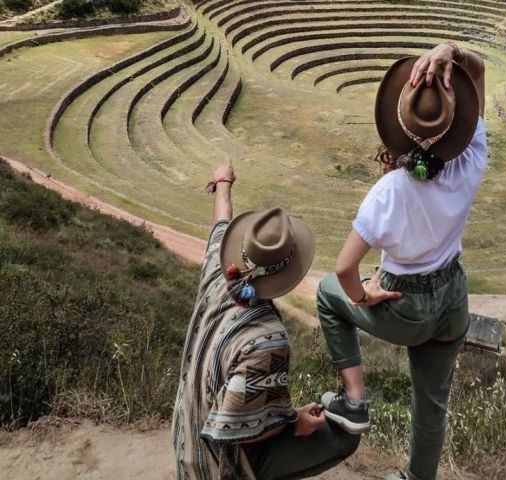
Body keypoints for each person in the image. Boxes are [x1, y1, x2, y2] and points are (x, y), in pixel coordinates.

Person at [316, 42, 486, 480]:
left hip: (404, 304)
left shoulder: (390, 191)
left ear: (397, 125)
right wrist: (452, 52)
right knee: (432, 405)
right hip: (452, 299)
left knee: (326, 293)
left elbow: (343, 269)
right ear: (459, 122)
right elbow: (480, 75)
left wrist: (362, 294)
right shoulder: (471, 160)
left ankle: (354, 400)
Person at [172, 163, 360, 480]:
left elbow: (221, 222)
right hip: (215, 464)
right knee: (344, 437)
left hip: (184, 435)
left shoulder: (219, 275)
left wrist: (222, 182)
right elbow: (236, 428)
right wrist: (294, 422)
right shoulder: (268, 340)